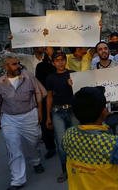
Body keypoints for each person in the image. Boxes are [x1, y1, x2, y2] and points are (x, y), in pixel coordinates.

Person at [0, 54, 46, 189]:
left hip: (29, 115)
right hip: (9, 119)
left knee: (33, 142)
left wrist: (40, 112)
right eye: (14, 64)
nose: (18, 66)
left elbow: (38, 93)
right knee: (13, 148)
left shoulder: (28, 76)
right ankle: (17, 180)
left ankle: (35, 161)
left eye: (18, 63)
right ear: (6, 67)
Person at [45, 51, 77, 183]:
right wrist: (48, 117)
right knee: (61, 143)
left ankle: (77, 167)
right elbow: (49, 97)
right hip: (57, 112)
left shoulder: (73, 73)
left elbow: (80, 92)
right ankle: (65, 170)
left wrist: (73, 85)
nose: (60, 62)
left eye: (62, 59)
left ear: (66, 60)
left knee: (76, 140)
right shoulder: (50, 78)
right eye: (57, 60)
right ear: (53, 63)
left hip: (73, 111)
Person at [91, 41, 118, 137]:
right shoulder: (93, 70)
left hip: (117, 107)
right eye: (100, 49)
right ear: (97, 53)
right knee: (105, 138)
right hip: (102, 110)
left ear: (109, 51)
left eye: (105, 48)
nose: (103, 51)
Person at [35, 46, 58, 159]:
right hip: (46, 97)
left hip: (60, 96)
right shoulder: (41, 66)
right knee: (46, 122)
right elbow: (38, 82)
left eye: (49, 47)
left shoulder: (61, 60)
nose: (46, 49)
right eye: (45, 48)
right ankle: (50, 147)